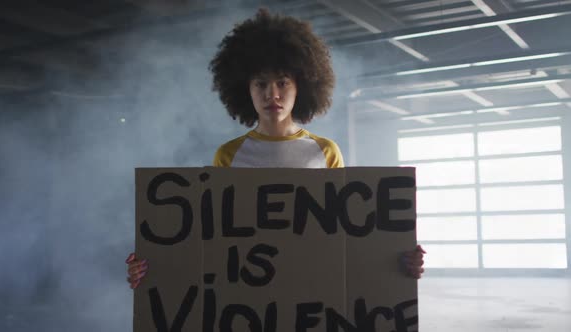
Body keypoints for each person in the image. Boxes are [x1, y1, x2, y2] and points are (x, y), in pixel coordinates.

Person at [126, 9, 425, 290]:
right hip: (248, 297)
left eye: (283, 82)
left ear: (302, 85)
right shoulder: (228, 155)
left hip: (312, 291)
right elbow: (211, 238)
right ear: (246, 89)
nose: (272, 94)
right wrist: (155, 267)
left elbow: (347, 234)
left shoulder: (325, 151)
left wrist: (398, 261)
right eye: (260, 84)